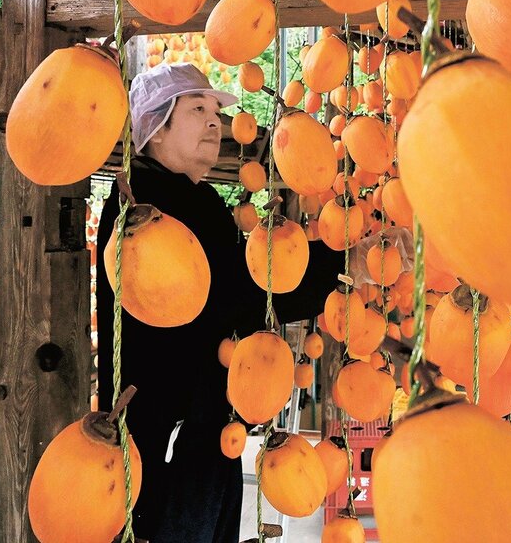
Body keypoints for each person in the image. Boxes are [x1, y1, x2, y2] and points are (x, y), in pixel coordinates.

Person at [96, 63, 344, 542]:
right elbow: (240, 290)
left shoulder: (192, 198)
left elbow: (244, 285)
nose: (215, 122)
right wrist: (339, 261)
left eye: (215, 111)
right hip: (168, 424)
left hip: (201, 416)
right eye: (196, 110)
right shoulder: (148, 210)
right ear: (153, 129)